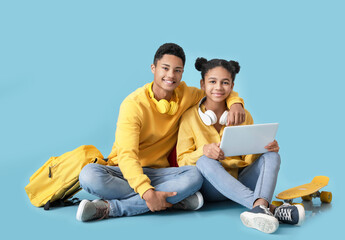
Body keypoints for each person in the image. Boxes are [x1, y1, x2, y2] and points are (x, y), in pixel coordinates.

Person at [76, 43, 247, 221]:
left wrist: (236, 102)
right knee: (88, 176)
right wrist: (147, 193)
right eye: (165, 68)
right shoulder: (133, 105)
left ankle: (110, 208)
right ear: (153, 68)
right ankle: (176, 199)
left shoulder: (187, 95)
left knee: (194, 176)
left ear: (182, 73)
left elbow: (215, 91)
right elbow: (127, 155)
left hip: (161, 174)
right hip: (124, 171)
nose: (171, 75)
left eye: (177, 70)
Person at [176, 57, 305, 233]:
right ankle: (268, 208)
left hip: (240, 181)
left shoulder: (243, 115)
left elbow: (248, 159)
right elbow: (182, 159)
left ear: (232, 86)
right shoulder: (189, 118)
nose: (219, 87)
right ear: (202, 84)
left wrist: (263, 148)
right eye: (212, 81)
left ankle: (259, 207)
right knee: (204, 161)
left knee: (272, 156)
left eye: (225, 82)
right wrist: (203, 151)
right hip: (210, 188)